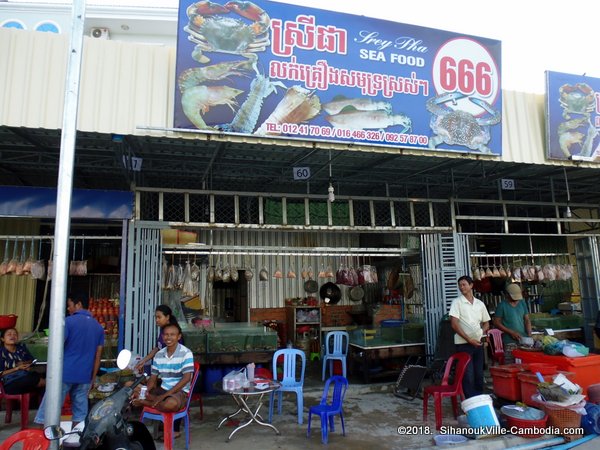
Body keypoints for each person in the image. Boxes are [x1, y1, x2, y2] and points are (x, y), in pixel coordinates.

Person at [34, 293, 104, 426]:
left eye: (69, 305)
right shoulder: (98, 327)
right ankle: (76, 441)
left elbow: (57, 346)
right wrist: (92, 378)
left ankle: (41, 441)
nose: (68, 309)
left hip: (64, 373)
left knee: (48, 411)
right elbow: (98, 356)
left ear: (79, 305)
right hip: (84, 376)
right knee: (80, 414)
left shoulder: (68, 322)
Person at [133, 323, 194, 413]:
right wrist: (145, 391)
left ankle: (146, 403)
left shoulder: (186, 353)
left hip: (179, 391)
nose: (168, 337)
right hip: (163, 389)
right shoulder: (158, 355)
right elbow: (153, 379)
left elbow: (186, 379)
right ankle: (152, 399)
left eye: (172, 335)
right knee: (131, 388)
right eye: (166, 334)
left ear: (179, 337)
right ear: (162, 336)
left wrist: (164, 396)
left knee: (170, 404)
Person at [449, 275, 491, 398]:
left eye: (464, 285)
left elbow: (486, 322)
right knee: (468, 374)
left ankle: (478, 399)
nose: (461, 287)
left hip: (477, 343)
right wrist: (468, 339)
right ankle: (470, 401)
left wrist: (481, 332)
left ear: (471, 285)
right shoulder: (457, 302)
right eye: (460, 285)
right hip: (463, 344)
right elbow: (454, 324)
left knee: (479, 373)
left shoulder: (479, 304)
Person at [135, 304, 182, 373]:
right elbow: (157, 348)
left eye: (159, 317)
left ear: (167, 317)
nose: (156, 320)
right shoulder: (163, 330)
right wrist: (144, 361)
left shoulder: (173, 332)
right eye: (156, 317)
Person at [493, 283, 532, 363]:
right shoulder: (502, 305)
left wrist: (529, 335)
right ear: (507, 294)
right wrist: (511, 332)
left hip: (523, 340)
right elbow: (496, 323)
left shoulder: (522, 303)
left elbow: (527, 320)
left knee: (524, 363)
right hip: (509, 341)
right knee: (510, 364)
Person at [0, 327, 45, 394]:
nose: (12, 336)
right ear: (2, 339)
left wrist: (24, 363)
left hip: (25, 376)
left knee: (41, 377)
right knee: (37, 380)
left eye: (15, 334)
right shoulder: (1, 353)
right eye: (9, 334)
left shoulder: (21, 348)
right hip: (9, 383)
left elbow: (31, 360)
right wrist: (17, 368)